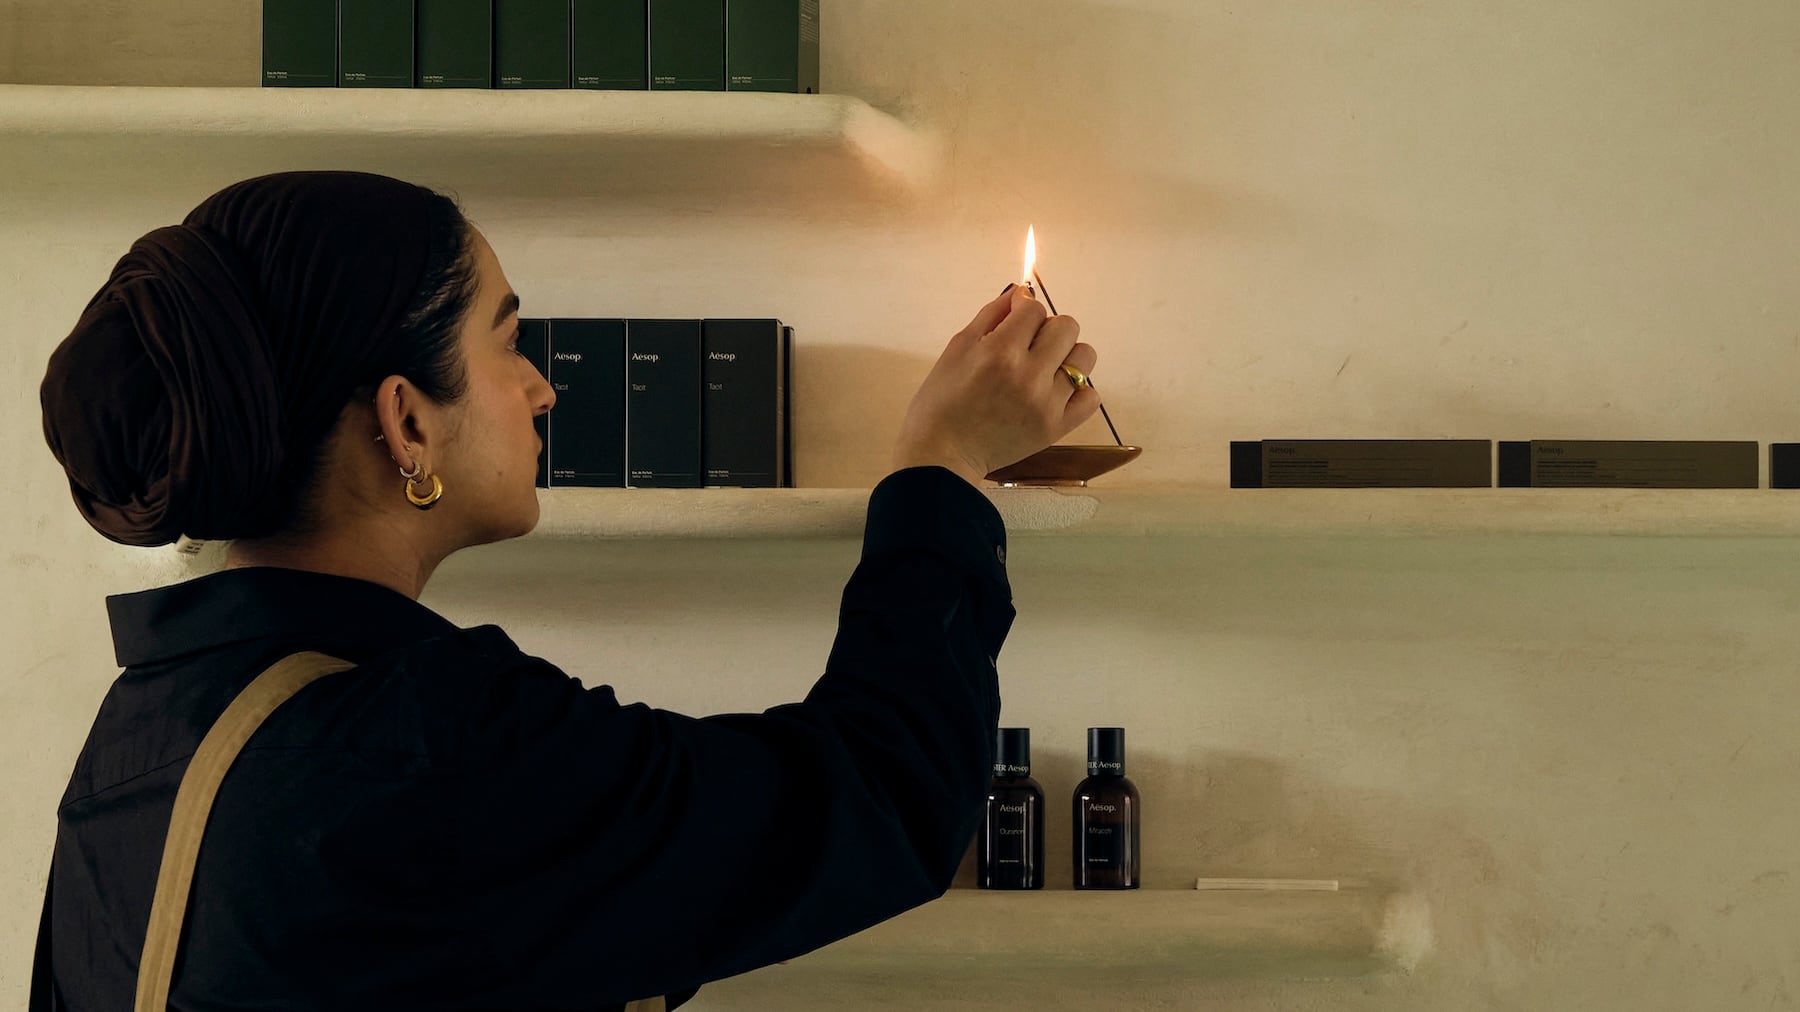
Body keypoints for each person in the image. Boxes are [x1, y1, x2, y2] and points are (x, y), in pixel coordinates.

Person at [32, 171, 1100, 1010]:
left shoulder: (140, 734)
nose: (542, 385)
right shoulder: (424, 743)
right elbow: (882, 794)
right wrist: (942, 463)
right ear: (406, 422)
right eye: (506, 338)